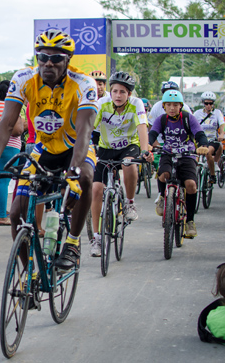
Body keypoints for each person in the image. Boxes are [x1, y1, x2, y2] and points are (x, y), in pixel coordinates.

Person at [0, 29, 98, 270]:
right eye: (42, 56)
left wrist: (74, 171)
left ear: (68, 60)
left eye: (56, 58)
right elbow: (6, 123)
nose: (48, 63)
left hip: (74, 148)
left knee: (86, 177)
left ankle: (73, 243)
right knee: (16, 215)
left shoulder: (84, 84)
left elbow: (85, 129)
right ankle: (29, 276)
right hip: (43, 149)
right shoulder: (24, 79)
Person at [89, 72, 152, 257]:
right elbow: (90, 126)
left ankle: (130, 203)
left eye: (122, 92)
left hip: (128, 146)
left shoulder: (136, 104)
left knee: (128, 163)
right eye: (114, 91)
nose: (117, 95)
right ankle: (97, 238)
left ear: (129, 94)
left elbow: (141, 127)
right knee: (96, 190)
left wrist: (145, 150)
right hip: (105, 148)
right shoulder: (102, 103)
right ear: (110, 91)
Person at [148, 90, 209, 237]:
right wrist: (148, 144)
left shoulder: (188, 118)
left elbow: (200, 133)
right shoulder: (162, 120)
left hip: (187, 154)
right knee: (163, 175)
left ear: (181, 106)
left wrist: (203, 145)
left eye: (175, 105)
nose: (172, 108)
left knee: (191, 185)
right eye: (168, 105)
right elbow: (152, 134)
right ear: (164, 106)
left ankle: (190, 222)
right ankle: (163, 197)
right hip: (168, 152)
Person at [0, 80, 24, 226]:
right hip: (10, 146)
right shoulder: (11, 106)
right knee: (4, 180)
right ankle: (2, 216)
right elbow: (18, 130)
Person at [193, 91, 224, 183]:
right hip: (199, 139)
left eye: (210, 103)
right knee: (193, 156)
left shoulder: (217, 113)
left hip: (212, 140)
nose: (208, 106)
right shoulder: (197, 113)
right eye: (206, 103)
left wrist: (222, 134)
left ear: (213, 104)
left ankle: (212, 175)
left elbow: (222, 125)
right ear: (203, 103)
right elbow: (191, 124)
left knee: (208, 152)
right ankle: (194, 174)